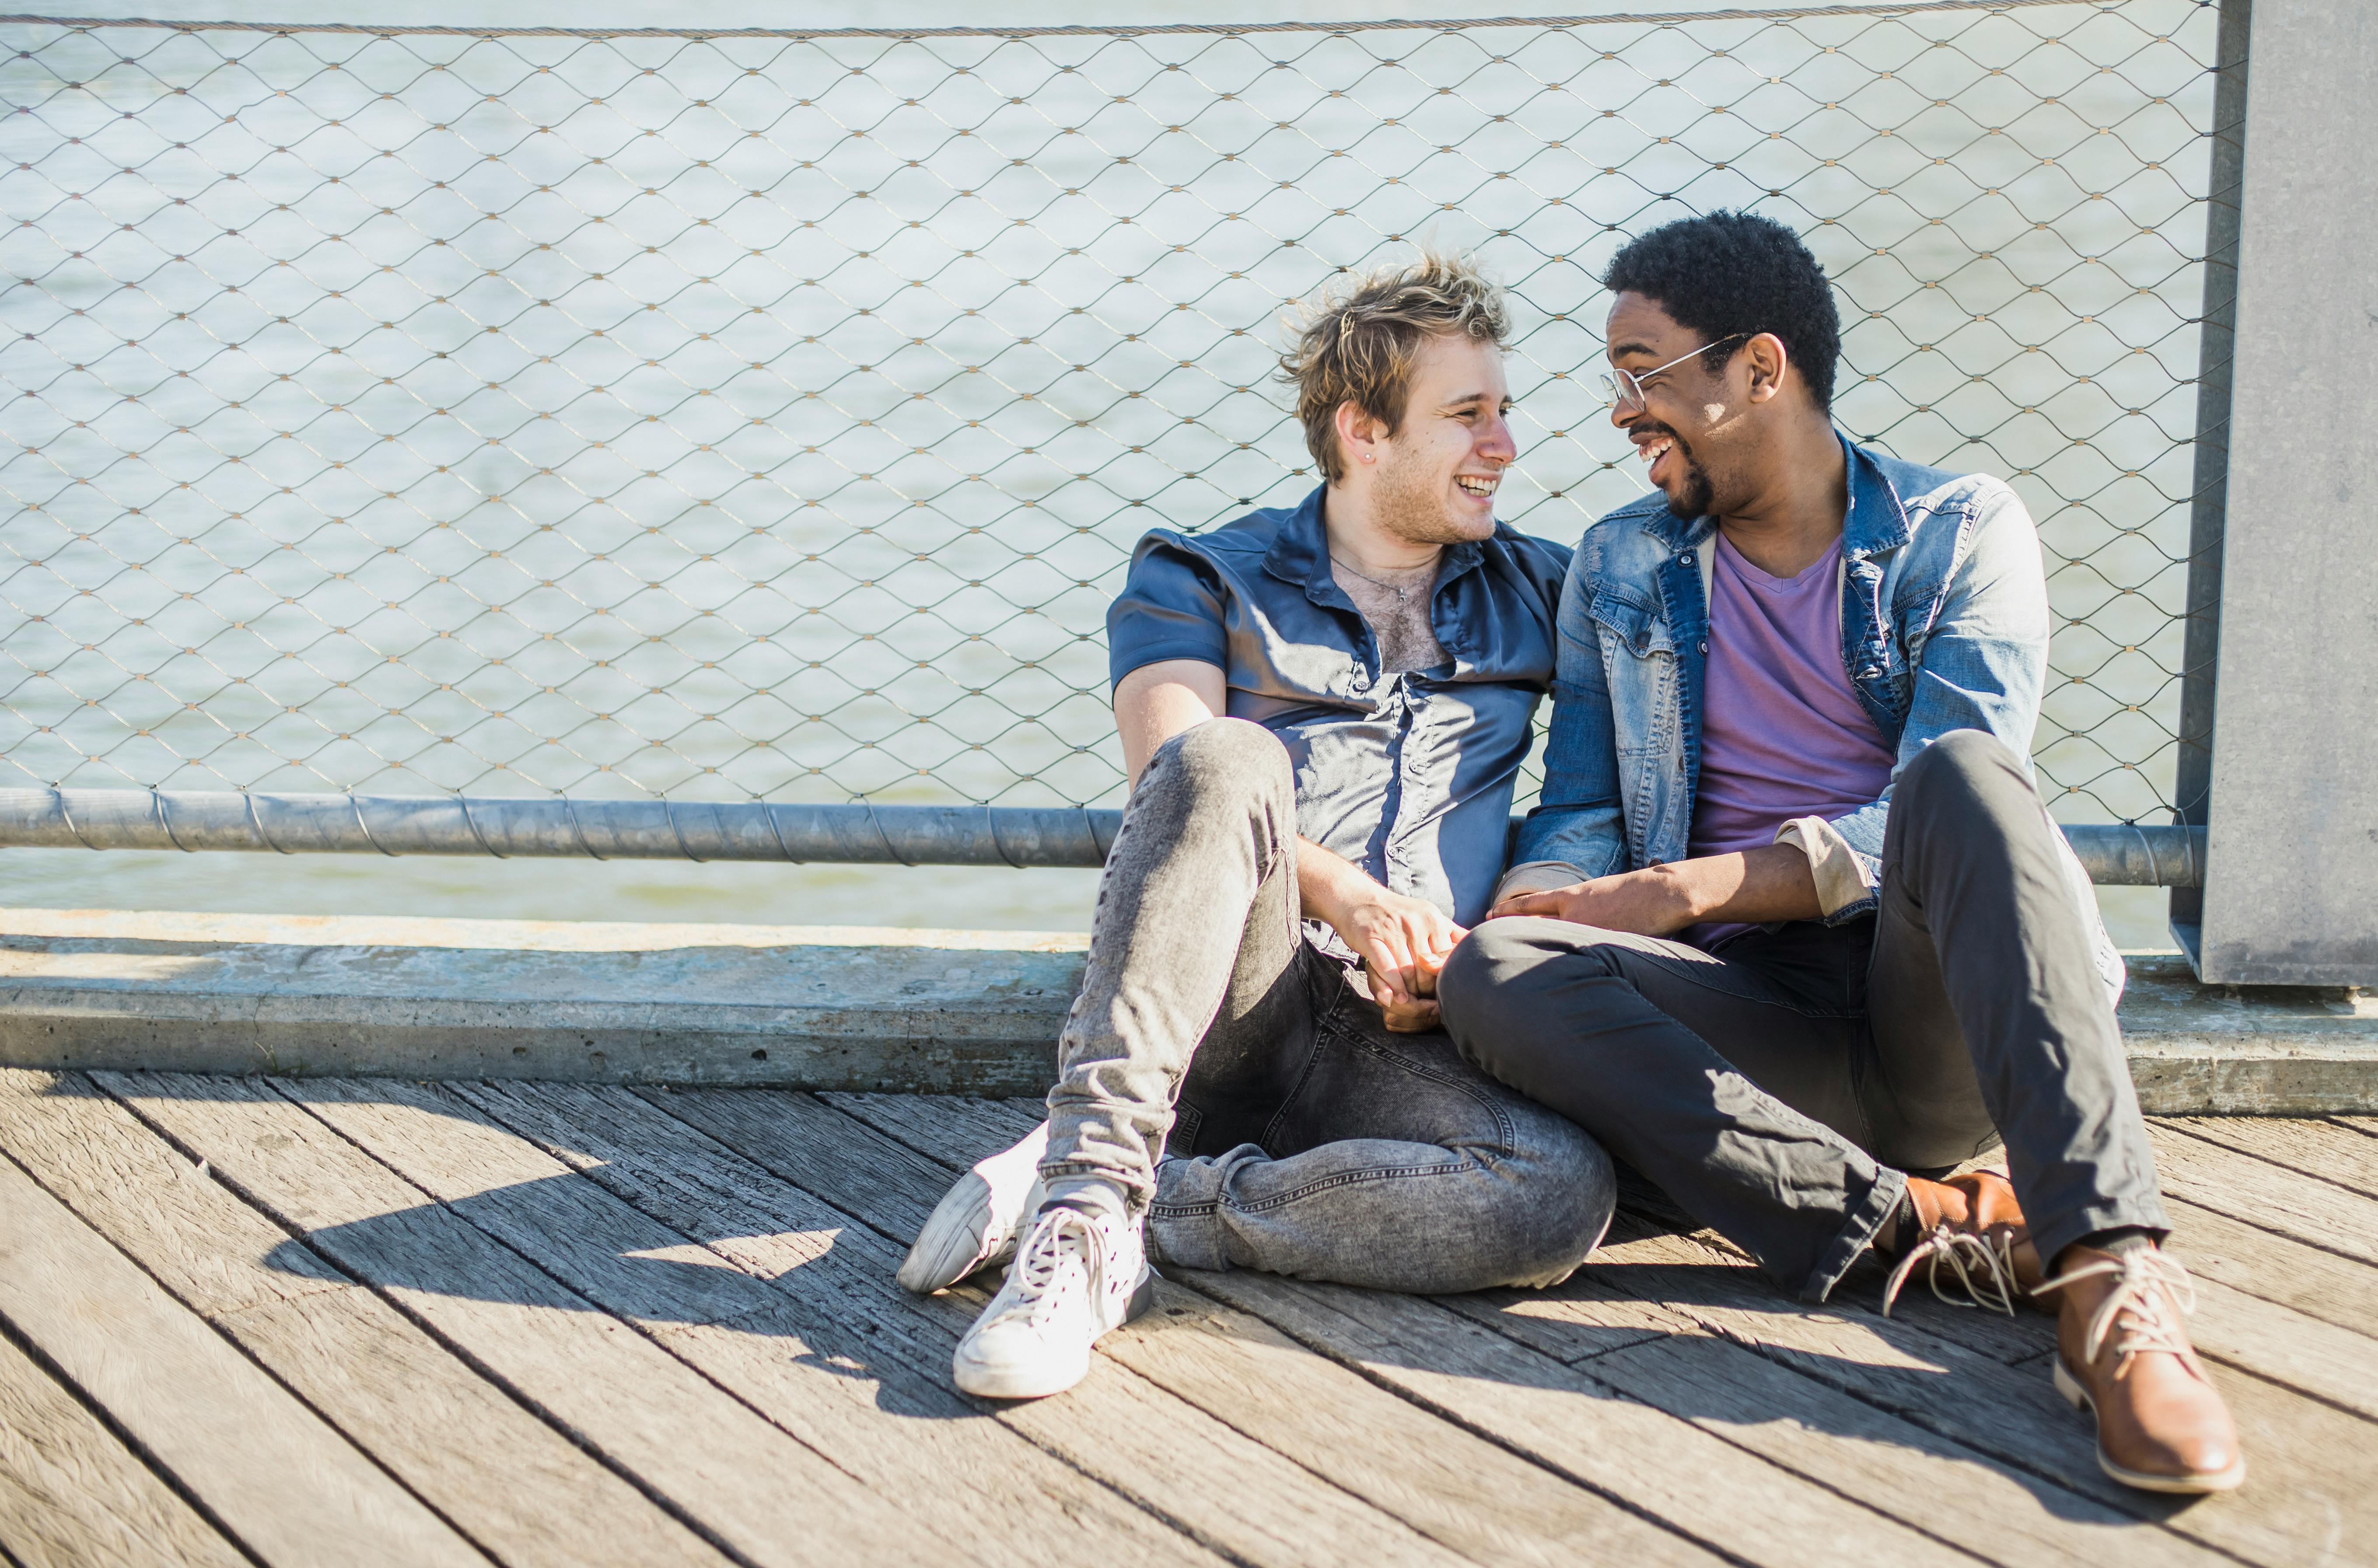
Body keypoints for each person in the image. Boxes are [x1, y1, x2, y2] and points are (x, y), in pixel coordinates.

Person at [1433, 211, 2245, 1496]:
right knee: (1500, 969)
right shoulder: (1623, 563)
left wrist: (1686, 886)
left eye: (1643, 375)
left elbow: (1940, 818)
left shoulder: (1958, 532)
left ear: (1758, 370)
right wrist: (1541, 903)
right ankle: (1927, 1237)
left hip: (1936, 1013)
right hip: (1745, 1023)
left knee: (1969, 778)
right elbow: (1581, 802)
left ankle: (2109, 1280)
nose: (1618, 414)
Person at [898, 251, 1616, 1403]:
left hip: (1415, 1037)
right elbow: (1170, 776)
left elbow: (1590, 802)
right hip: (1236, 1006)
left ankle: (1157, 1212)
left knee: (1557, 1192)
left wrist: (1489, 953)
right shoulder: (1199, 578)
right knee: (1225, 754)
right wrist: (1358, 902)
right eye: (1468, 417)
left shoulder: (1547, 588)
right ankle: (1089, 1201)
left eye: (1505, 412)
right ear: (1363, 432)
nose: (1505, 446)